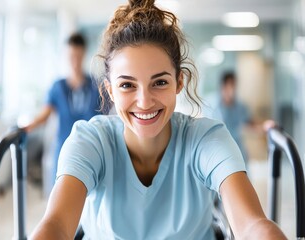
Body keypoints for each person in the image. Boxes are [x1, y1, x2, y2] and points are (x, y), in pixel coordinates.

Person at [30, 1, 287, 239]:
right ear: (110, 91)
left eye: (160, 82)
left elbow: (251, 224)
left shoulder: (206, 139)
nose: (144, 102)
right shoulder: (91, 141)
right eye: (128, 85)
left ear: (179, 82)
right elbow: (57, 224)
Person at [24, 32, 101, 190]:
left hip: (92, 148)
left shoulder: (96, 85)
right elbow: (45, 115)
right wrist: (27, 127)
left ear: (84, 54)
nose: (75, 61)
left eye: (78, 56)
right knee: (61, 192)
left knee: (92, 195)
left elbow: (106, 118)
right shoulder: (57, 87)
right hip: (64, 148)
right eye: (71, 56)